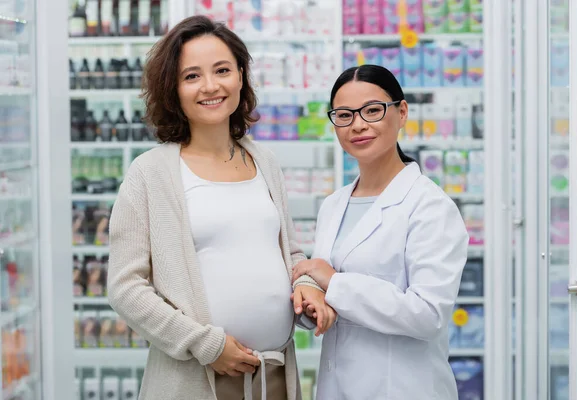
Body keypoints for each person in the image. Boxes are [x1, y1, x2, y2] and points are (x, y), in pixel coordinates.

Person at [106, 15, 334, 400]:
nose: (210, 86)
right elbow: (125, 288)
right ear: (173, 89)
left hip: (273, 376)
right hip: (193, 381)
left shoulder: (264, 160)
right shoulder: (150, 172)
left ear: (241, 77)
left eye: (222, 70)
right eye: (191, 76)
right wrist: (206, 345)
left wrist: (306, 287)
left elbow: (289, 253)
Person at [291, 65, 470, 400]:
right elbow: (325, 290)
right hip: (337, 386)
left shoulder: (429, 206)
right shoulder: (334, 205)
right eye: (344, 115)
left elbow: (429, 314)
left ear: (401, 113)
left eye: (372, 110)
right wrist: (311, 300)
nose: (358, 124)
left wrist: (334, 282)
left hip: (402, 389)